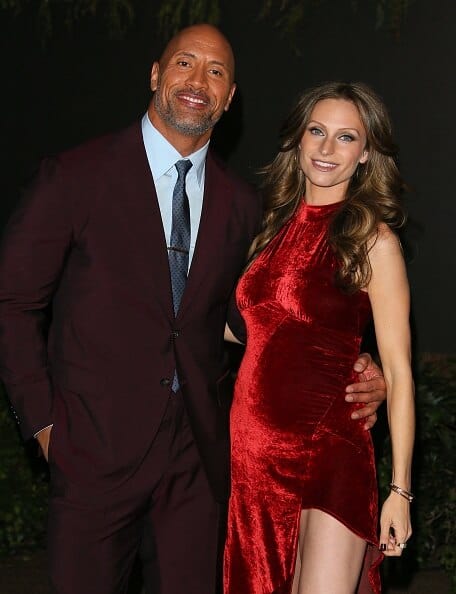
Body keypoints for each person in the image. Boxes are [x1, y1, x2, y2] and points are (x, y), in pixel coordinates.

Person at [0, 25, 385, 594]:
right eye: (185, 63)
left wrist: (356, 367)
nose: (198, 80)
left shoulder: (245, 205)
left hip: (199, 466)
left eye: (216, 71)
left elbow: (265, 317)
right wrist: (44, 424)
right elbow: (12, 303)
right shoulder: (76, 176)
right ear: (156, 75)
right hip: (92, 453)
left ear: (229, 99)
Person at [223, 82, 415, 594]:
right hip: (254, 458)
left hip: (328, 452)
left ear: (366, 153)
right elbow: (248, 330)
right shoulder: (270, 230)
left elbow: (399, 374)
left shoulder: (373, 240)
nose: (328, 148)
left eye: (346, 137)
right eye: (317, 131)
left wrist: (400, 491)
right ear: (298, 139)